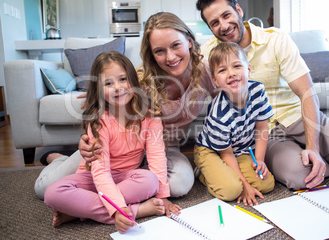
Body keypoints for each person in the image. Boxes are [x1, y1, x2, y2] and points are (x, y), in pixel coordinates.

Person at [196, 0, 329, 190]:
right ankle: (328, 161)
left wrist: (313, 148)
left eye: (226, 15)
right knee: (299, 178)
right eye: (215, 23)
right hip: (266, 134)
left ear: (238, 10)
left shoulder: (275, 39)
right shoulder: (208, 53)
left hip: (298, 117)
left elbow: (307, 93)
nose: (224, 26)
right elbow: (188, 80)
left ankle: (325, 156)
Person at [35, 12, 215, 206]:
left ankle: (99, 198)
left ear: (189, 40)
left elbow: (229, 98)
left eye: (175, 45)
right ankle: (60, 159)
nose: (170, 57)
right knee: (45, 190)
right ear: (151, 54)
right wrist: (94, 100)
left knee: (178, 185)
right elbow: (108, 101)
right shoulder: (138, 80)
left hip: (164, 147)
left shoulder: (205, 71)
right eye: (159, 51)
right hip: (115, 149)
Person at [44, 51, 174, 232]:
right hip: (94, 175)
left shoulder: (149, 116)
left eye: (123, 79)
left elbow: (157, 157)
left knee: (151, 180)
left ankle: (78, 212)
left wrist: (163, 196)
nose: (118, 87)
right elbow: (101, 174)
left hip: (129, 176)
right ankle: (136, 210)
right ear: (98, 89)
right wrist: (118, 211)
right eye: (108, 83)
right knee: (50, 192)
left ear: (133, 80)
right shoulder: (99, 121)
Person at [194, 42, 275, 206]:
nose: (231, 73)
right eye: (222, 70)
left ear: (249, 69)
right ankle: (203, 171)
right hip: (212, 151)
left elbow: (261, 128)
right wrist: (245, 186)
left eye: (237, 66)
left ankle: (228, 174)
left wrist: (259, 160)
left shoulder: (258, 91)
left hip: (239, 148)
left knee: (265, 184)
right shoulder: (219, 112)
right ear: (215, 80)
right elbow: (226, 154)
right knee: (232, 190)